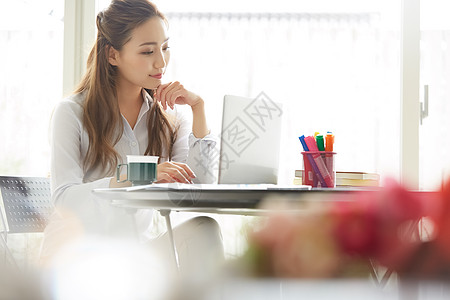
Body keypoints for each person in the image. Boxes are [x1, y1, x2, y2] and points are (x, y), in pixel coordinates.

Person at [41, 0, 223, 276]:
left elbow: (200, 186)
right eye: (148, 51)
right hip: (76, 258)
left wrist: (199, 108)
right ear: (113, 55)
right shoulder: (72, 113)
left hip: (134, 256)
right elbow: (65, 199)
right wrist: (144, 173)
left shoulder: (169, 118)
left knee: (204, 228)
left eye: (165, 48)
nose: (160, 62)